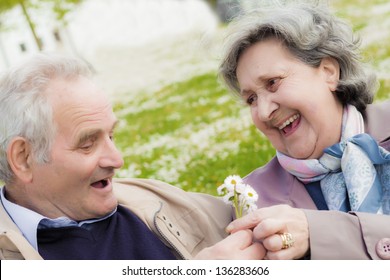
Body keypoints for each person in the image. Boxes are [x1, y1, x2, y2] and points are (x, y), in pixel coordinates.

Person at [0, 53, 265, 260]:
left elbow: (259, 214)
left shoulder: (155, 200)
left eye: (111, 136)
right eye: (87, 144)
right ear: (23, 158)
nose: (117, 160)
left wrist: (304, 229)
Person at [219, 1, 390, 260]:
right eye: (251, 99)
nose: (264, 112)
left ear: (328, 72)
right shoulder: (252, 200)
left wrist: (318, 233)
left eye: (273, 83)